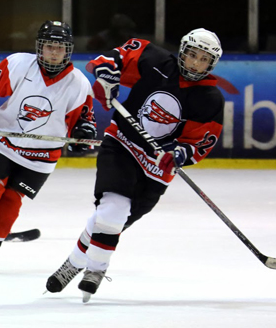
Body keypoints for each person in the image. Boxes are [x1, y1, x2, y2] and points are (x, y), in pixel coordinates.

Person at [45, 28, 225, 301]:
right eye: (192, 55)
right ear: (182, 51)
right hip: (123, 144)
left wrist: (178, 154)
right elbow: (111, 60)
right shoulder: (154, 60)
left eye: (203, 59)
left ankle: (73, 262)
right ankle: (95, 269)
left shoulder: (210, 99)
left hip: (156, 169)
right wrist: (106, 77)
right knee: (112, 209)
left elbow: (199, 143)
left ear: (211, 64)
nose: (196, 63)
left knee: (110, 222)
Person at [0, 21, 96, 273]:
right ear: (40, 47)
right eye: (49, 46)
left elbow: (85, 121)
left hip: (42, 156)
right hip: (5, 141)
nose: (53, 52)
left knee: (10, 201)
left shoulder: (79, 83)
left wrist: (83, 134)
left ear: (68, 51)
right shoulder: (18, 63)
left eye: (59, 48)